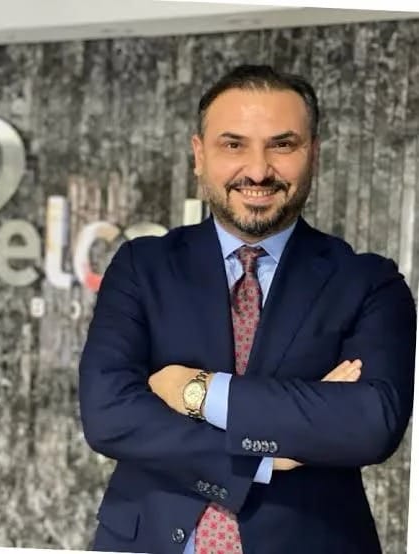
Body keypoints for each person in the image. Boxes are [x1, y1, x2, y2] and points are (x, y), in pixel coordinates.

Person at [78, 64, 416, 554]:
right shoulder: (141, 266)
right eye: (233, 145)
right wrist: (263, 455)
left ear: (314, 153)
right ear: (199, 155)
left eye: (282, 145)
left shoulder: (369, 282)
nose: (258, 170)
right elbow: (108, 413)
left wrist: (195, 391)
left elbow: (369, 424)